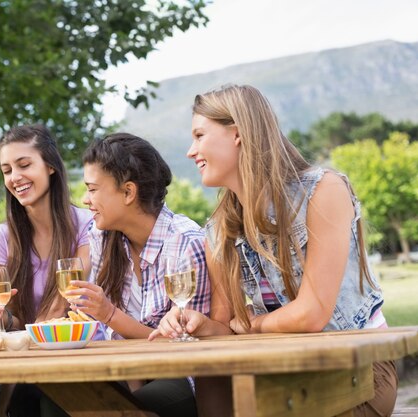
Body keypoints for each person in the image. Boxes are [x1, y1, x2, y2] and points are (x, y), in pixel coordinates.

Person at [149, 84, 397, 417]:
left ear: (236, 134)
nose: (191, 151)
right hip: (285, 372)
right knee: (214, 380)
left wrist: (253, 323)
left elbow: (312, 314)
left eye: (199, 136)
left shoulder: (322, 191)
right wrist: (197, 324)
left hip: (357, 368)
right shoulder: (218, 228)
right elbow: (225, 326)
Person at [63, 133, 210, 417]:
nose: (85, 199)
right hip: (127, 369)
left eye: (92, 189)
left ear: (128, 192)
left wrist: (108, 314)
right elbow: (107, 335)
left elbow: (185, 346)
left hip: (183, 374)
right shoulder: (103, 237)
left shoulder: (185, 242)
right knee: (54, 394)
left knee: (116, 409)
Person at [0, 124, 92, 416]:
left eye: (24, 164)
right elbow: (13, 320)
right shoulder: (3, 237)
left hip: (82, 355)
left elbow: (62, 304)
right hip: (32, 363)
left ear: (50, 166)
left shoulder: (88, 225)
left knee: (42, 396)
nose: (15, 177)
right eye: (7, 170)